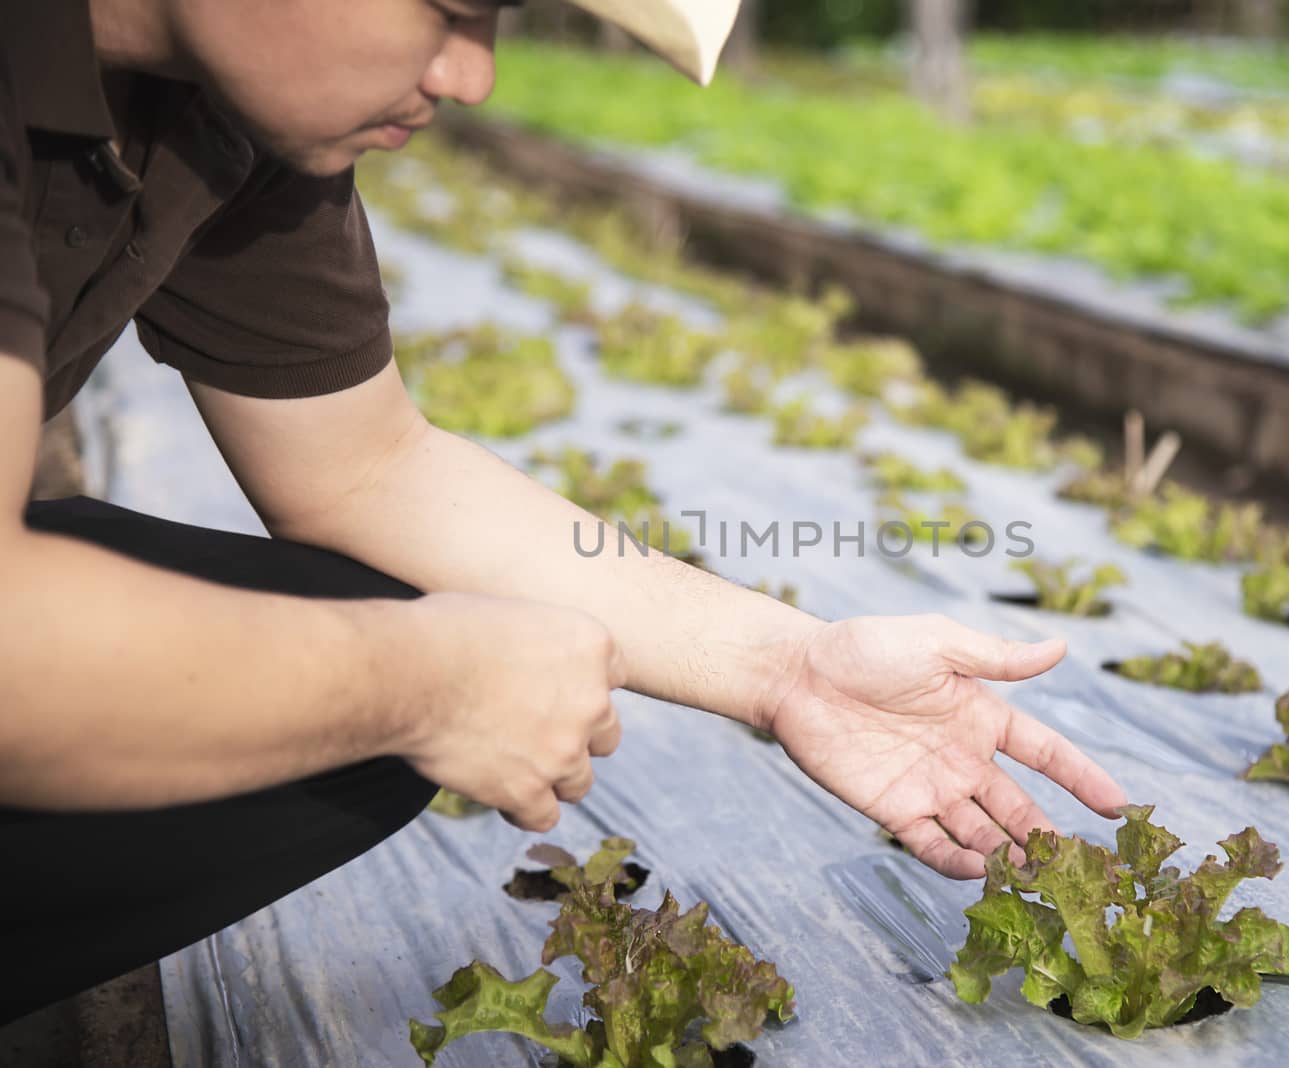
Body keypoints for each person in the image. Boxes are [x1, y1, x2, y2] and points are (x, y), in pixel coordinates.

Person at [0, 0, 1127, 1027]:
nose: (475, 75)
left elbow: (363, 470)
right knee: (375, 673)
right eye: (450, 9)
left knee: (358, 640)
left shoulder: (227, 111)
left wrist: (792, 669)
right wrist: (419, 682)